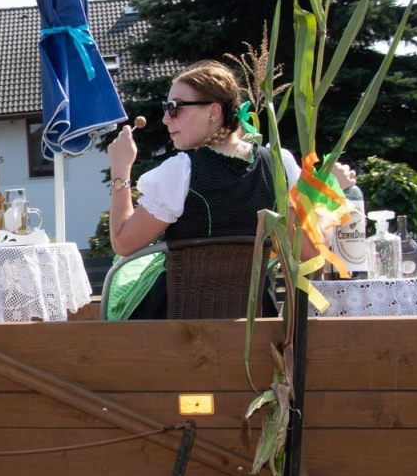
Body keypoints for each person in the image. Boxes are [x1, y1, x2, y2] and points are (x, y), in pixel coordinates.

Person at [104, 60, 301, 320]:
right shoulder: (281, 165)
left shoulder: (181, 171)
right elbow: (299, 248)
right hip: (256, 318)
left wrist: (121, 170)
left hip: (178, 320)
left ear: (213, 111)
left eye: (174, 108)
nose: (165, 118)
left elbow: (122, 243)